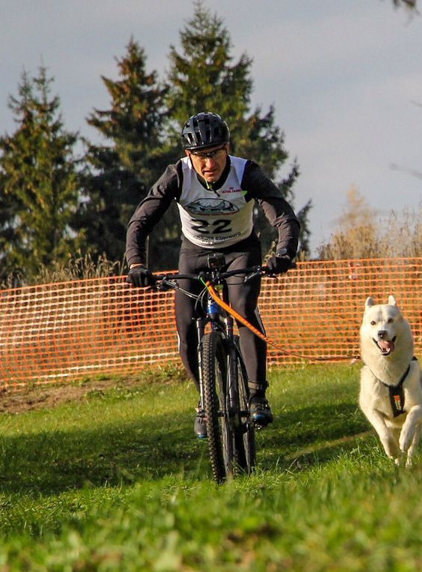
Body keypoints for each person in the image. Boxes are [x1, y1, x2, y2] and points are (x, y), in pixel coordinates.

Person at [125, 112, 301, 438]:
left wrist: (284, 253)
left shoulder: (245, 173)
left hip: (240, 250)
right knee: (185, 328)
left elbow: (283, 216)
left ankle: (256, 394)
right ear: (188, 155)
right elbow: (141, 222)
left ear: (227, 149)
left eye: (215, 153)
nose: (208, 164)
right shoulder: (177, 175)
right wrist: (137, 264)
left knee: (242, 309)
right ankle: (205, 401)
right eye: (200, 156)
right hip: (194, 253)